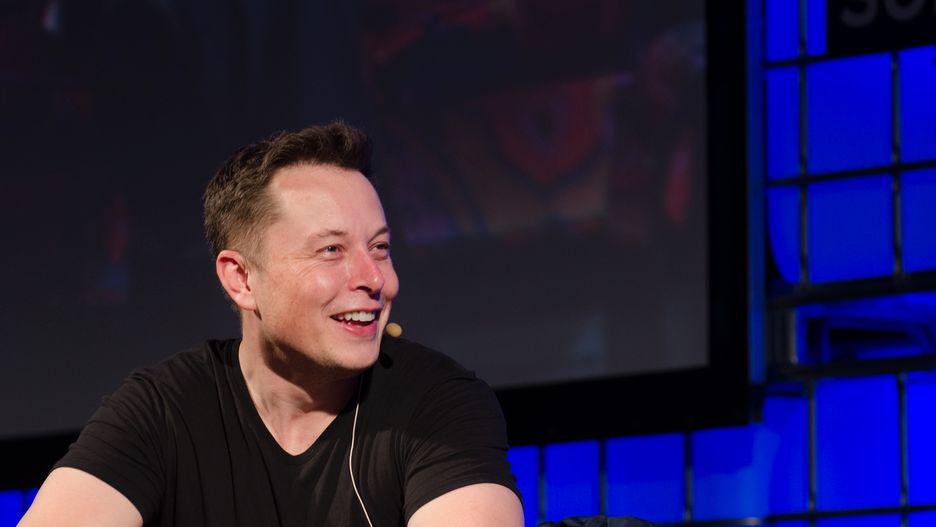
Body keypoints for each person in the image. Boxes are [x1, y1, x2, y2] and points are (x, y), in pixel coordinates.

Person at [19, 122, 524, 527]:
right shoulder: (162, 410)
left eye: (379, 247)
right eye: (331, 250)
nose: (376, 279)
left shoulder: (440, 402)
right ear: (241, 279)